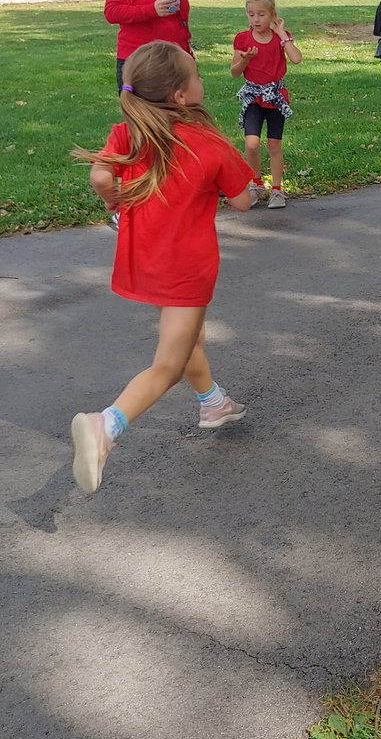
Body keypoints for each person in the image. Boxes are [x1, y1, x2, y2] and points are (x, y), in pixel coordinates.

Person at [69, 41, 254, 493]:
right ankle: (107, 426)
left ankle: (213, 402)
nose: (201, 79)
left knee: (189, 337)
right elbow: (245, 202)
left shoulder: (129, 132)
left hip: (144, 262)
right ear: (180, 96)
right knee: (168, 364)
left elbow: (99, 175)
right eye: (195, 74)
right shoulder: (209, 143)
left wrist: (114, 200)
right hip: (186, 268)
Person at [231, 0, 302, 209]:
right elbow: (234, 71)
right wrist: (245, 60)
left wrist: (282, 35)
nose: (256, 20)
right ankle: (257, 184)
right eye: (251, 14)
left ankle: (277, 190)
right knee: (251, 144)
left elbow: (296, 58)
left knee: (273, 145)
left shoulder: (281, 36)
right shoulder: (242, 39)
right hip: (253, 96)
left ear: (272, 15)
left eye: (261, 14)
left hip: (275, 97)